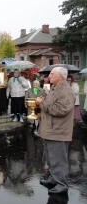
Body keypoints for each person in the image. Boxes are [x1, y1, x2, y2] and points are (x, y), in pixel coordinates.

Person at [35, 67, 75, 195]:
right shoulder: (55, 88)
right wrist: (43, 101)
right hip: (50, 130)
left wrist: (42, 104)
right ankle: (54, 178)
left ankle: (61, 184)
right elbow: (50, 104)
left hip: (58, 131)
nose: (49, 76)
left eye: (52, 74)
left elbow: (61, 110)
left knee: (58, 159)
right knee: (51, 157)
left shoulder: (65, 90)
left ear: (60, 76)